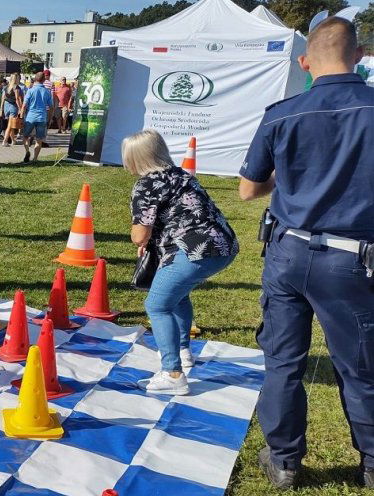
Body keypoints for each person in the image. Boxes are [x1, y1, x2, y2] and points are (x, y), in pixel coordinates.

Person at [238, 17, 374, 490]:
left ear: (305, 61)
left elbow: (248, 189)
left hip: (289, 251)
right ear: (359, 55)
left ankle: (284, 459)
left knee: (283, 360)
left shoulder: (282, 113)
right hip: (353, 259)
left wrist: (293, 180)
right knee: (360, 366)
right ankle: (372, 461)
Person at [124, 129, 238, 395]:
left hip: (194, 250)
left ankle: (173, 373)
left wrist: (141, 238)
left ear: (135, 157)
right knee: (178, 295)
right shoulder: (182, 174)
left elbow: (139, 234)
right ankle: (184, 351)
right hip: (224, 245)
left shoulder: (146, 184)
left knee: (157, 304)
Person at [19, 72, 52, 163]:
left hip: (30, 117)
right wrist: (49, 118)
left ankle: (27, 151)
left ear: (35, 79)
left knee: (25, 136)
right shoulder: (47, 91)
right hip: (42, 117)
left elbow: (24, 105)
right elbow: (51, 107)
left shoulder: (30, 90)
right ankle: (35, 158)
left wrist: (21, 115)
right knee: (39, 139)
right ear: (44, 80)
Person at [0, 73, 22, 146]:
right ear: (16, 79)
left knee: (11, 123)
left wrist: (1, 109)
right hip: (13, 106)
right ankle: (5, 140)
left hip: (6, 105)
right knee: (10, 125)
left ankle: (13, 140)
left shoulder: (6, 87)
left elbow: (3, 98)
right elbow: (17, 99)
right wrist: (20, 109)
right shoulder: (16, 87)